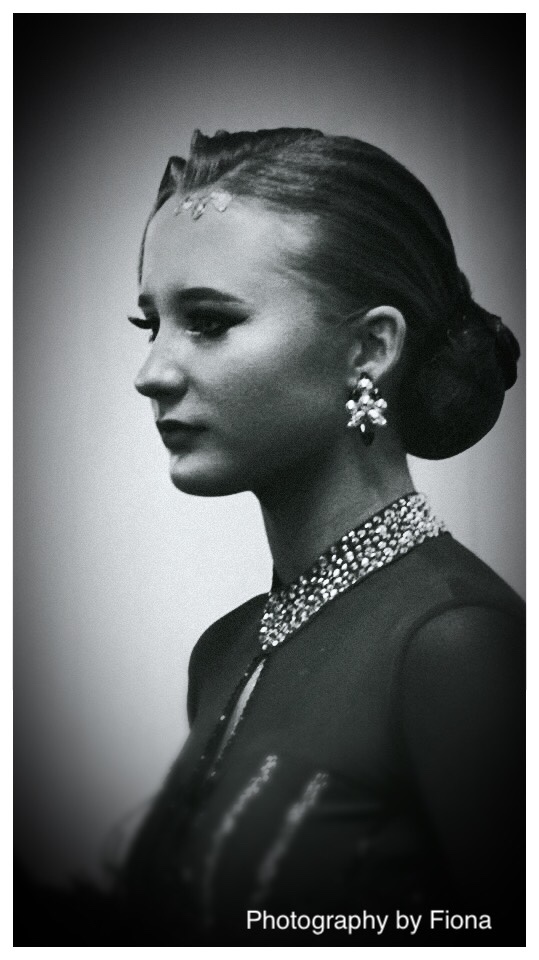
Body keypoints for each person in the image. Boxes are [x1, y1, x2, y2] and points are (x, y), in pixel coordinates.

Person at [16, 128, 525, 946]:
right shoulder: (223, 651)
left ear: (370, 348)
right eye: (151, 323)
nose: (151, 372)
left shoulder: (455, 644)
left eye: (208, 322)